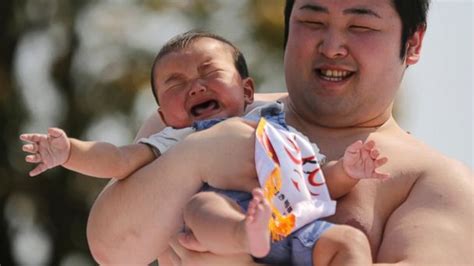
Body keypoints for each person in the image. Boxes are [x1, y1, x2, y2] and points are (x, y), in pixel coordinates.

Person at [86, 0, 473, 264]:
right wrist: (202, 154)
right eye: (312, 21)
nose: (333, 45)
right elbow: (113, 249)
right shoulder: (190, 118)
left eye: (360, 25)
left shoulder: (437, 183)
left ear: (414, 41)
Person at [21, 30, 389, 265]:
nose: (195, 87)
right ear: (163, 114)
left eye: (209, 73)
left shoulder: (279, 125)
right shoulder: (173, 139)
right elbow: (117, 161)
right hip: (231, 227)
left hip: (298, 226)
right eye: (176, 84)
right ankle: (245, 231)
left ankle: (259, 232)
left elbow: (316, 180)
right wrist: (69, 152)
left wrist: (348, 171)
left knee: (349, 242)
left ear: (247, 90)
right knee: (202, 207)